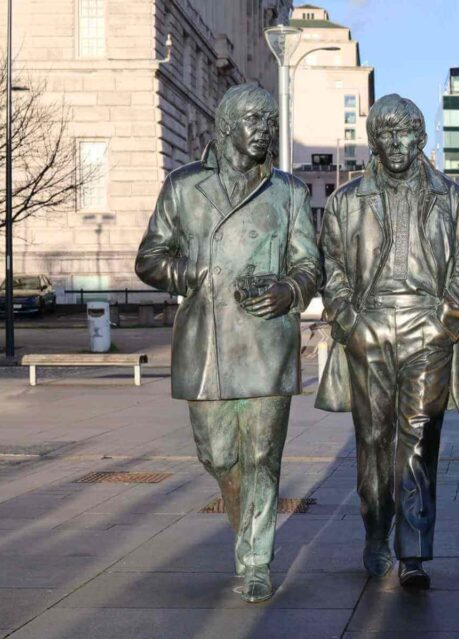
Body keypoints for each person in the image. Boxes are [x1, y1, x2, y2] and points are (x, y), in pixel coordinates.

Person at [135, 84, 320, 603]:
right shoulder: (184, 186)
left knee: (262, 456)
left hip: (266, 341)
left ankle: (257, 559)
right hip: (208, 344)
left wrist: (290, 289)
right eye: (253, 120)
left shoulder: (288, 192)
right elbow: (149, 258)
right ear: (226, 126)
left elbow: (310, 264)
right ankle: (246, 529)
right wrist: (190, 273)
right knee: (218, 457)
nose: (264, 130)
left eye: (269, 122)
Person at [315, 94, 459, 590]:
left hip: (427, 328)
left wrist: (446, 321)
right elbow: (331, 267)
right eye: (385, 133)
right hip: (368, 326)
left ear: (421, 138)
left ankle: (413, 550)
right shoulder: (347, 200)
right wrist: (349, 322)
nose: (395, 142)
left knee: (419, 440)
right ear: (373, 141)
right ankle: (375, 528)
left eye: (404, 132)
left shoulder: (451, 198)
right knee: (372, 440)